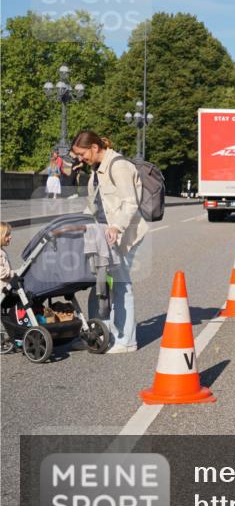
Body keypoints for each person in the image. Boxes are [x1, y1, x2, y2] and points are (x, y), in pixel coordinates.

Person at [71, 131, 148, 353]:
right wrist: (77, 222)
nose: (79, 158)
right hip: (103, 235)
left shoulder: (118, 166)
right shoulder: (97, 169)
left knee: (121, 285)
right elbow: (96, 204)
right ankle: (96, 335)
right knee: (100, 284)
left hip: (123, 236)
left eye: (81, 153)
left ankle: (126, 340)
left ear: (94, 148)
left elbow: (130, 203)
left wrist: (117, 227)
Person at [0, 222, 12, 292]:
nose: (10, 237)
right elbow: (1, 273)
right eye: (7, 235)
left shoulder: (2, 250)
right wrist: (13, 273)